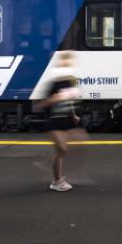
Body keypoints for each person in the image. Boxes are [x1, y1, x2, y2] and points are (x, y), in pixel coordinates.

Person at [39, 51, 88, 192]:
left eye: (69, 62)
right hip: (54, 121)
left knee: (80, 142)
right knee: (61, 149)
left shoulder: (72, 81)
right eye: (64, 62)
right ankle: (56, 181)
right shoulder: (54, 83)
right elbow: (42, 104)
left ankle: (52, 166)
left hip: (67, 120)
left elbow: (70, 101)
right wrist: (54, 99)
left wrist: (74, 115)